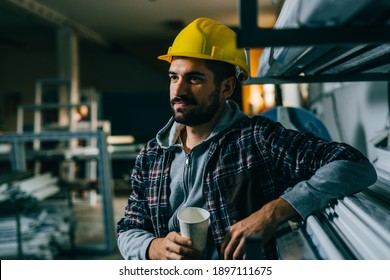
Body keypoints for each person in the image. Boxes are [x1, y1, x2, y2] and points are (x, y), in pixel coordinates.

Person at [116, 17, 377, 260]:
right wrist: (153, 248)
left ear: (227, 87)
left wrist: (273, 212)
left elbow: (354, 164)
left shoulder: (257, 139)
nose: (179, 89)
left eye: (194, 79)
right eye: (174, 77)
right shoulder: (152, 155)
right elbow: (128, 229)